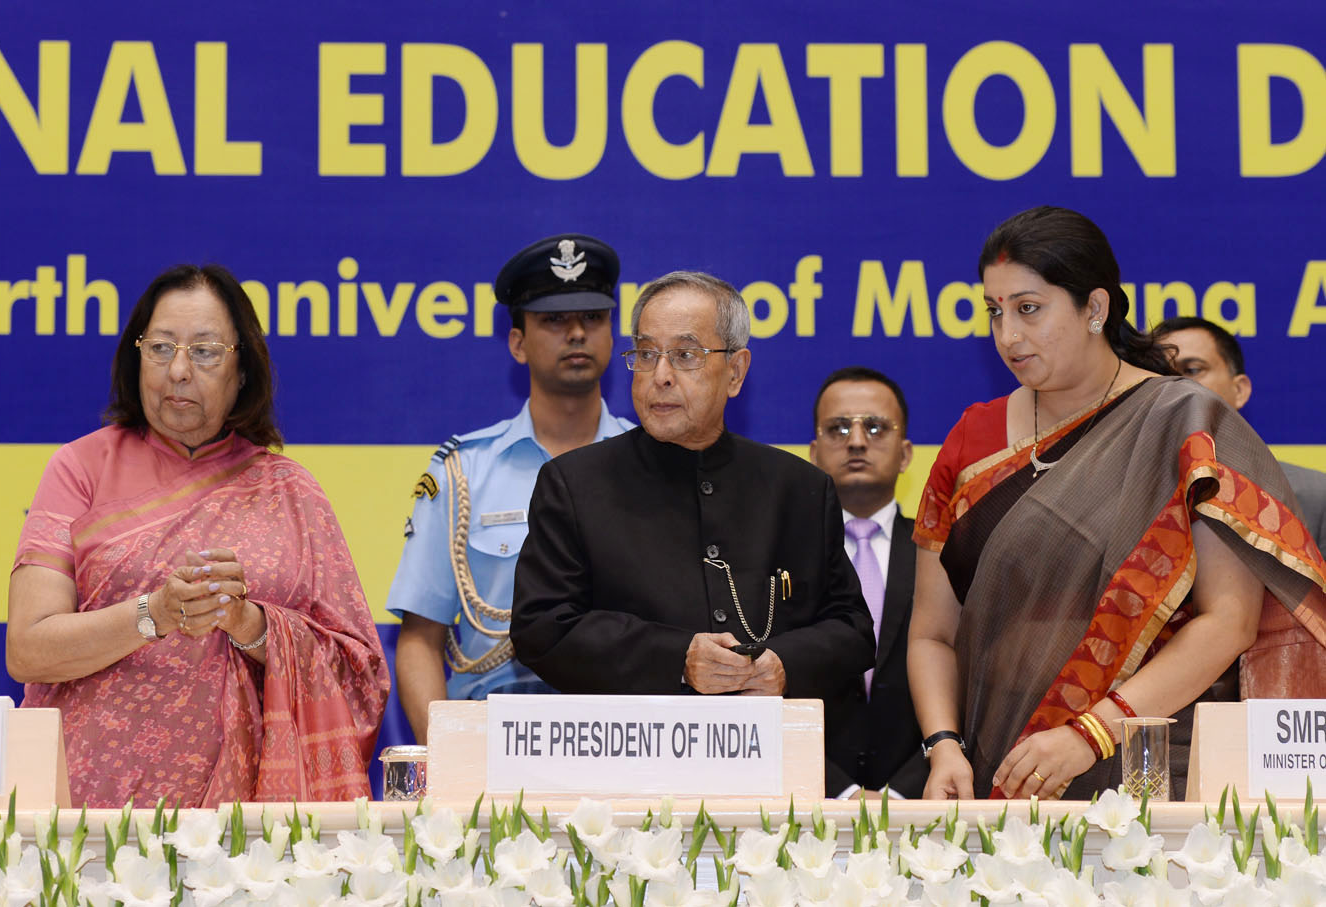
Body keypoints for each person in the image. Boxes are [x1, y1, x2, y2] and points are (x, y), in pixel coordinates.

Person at [908, 206, 1326, 802]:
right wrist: (943, 744)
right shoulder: (972, 438)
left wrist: (1089, 734)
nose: (1008, 336)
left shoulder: (1184, 425)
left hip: (1145, 768)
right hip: (997, 768)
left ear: (1095, 309)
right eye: (995, 313)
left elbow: (1228, 622)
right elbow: (931, 633)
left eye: (1029, 309)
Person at [6, 264, 388, 808]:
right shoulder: (79, 469)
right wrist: (155, 613)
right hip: (88, 810)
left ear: (243, 373)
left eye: (205, 352)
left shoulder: (290, 492)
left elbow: (360, 677)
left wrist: (249, 624)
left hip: (246, 832)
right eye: (160, 348)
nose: (178, 370)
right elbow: (27, 649)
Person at [510, 270, 877, 797]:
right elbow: (541, 628)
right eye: (645, 354)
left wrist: (781, 666)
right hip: (620, 785)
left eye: (685, 356)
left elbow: (852, 631)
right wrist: (677, 658)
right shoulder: (574, 484)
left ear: (736, 371)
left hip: (776, 783)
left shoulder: (798, 488)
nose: (659, 375)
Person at [387, 234, 633, 743]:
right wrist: (449, 761)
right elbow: (419, 639)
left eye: (592, 317)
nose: (577, 334)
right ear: (517, 343)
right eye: (553, 320)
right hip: (491, 735)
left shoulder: (652, 464)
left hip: (625, 735)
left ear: (613, 334)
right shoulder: (464, 472)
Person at [808, 367, 924, 798]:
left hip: (923, 807)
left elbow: (967, 690)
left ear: (906, 452)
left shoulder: (941, 555)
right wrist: (843, 793)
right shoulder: (782, 557)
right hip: (807, 805)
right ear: (814, 452)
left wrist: (898, 796)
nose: (856, 442)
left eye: (875, 427)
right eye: (838, 428)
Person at [1151, 316, 1326, 554]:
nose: (1174, 384)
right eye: (1159, 373)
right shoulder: (1132, 498)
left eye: (1192, 370)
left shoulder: (1315, 497)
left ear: (1240, 390)